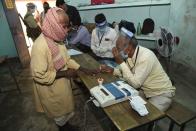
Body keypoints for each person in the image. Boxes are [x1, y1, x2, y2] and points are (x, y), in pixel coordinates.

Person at [31, 7, 97, 131]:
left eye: (68, 26)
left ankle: (66, 126)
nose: (67, 31)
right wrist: (65, 72)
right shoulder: (39, 46)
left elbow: (67, 60)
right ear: (54, 24)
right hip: (50, 89)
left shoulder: (57, 40)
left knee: (65, 112)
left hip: (61, 86)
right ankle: (63, 128)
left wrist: (83, 69)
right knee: (59, 114)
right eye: (64, 27)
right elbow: (38, 75)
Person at [100, 27, 176, 112]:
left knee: (147, 115)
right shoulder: (130, 56)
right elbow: (126, 73)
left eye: (118, 49)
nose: (117, 52)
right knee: (126, 104)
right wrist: (113, 70)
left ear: (128, 48)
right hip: (146, 91)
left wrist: (121, 62)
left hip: (161, 93)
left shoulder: (146, 57)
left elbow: (136, 84)